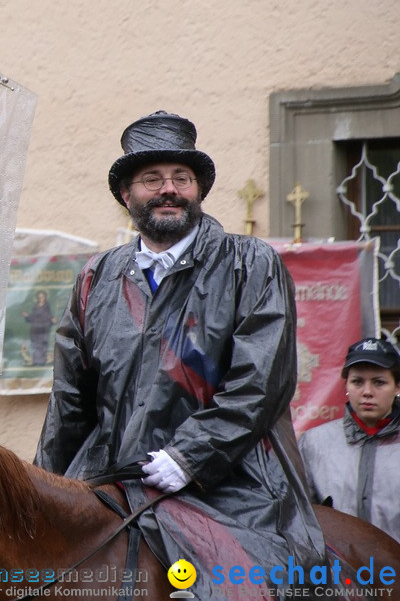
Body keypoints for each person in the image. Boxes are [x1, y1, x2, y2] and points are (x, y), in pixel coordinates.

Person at [35, 111, 326, 595]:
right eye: (151, 179)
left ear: (199, 190)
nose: (168, 189)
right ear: (126, 195)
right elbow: (69, 401)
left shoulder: (251, 264)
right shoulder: (96, 278)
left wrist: (190, 457)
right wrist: (42, 491)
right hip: (109, 479)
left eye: (181, 178)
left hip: (229, 485)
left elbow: (261, 383)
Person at [298, 336, 400, 541]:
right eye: (357, 382)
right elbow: (298, 520)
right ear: (346, 385)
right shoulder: (313, 444)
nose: (367, 392)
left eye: (379, 382)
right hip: (336, 571)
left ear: (397, 387)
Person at [23, 290, 55, 366]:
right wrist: (27, 316)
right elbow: (33, 318)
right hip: (35, 328)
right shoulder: (35, 306)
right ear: (37, 297)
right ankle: (36, 361)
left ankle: (42, 361)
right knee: (35, 345)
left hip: (44, 328)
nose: (41, 298)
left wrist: (52, 319)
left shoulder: (47, 307)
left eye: (42, 296)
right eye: (39, 297)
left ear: (45, 297)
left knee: (43, 345)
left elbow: (48, 317)